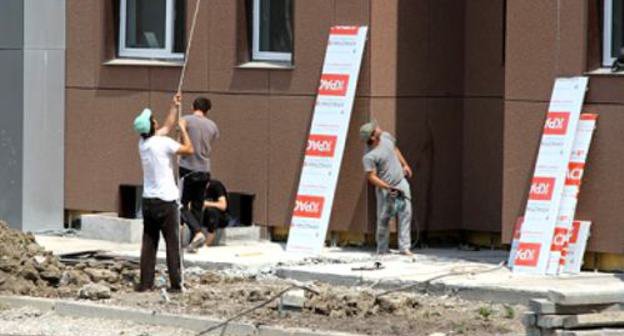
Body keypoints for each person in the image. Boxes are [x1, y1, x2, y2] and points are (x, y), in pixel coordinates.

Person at [133, 94, 194, 293]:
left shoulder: (144, 144)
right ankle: (176, 284)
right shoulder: (163, 143)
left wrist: (173, 107)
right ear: (152, 125)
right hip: (167, 201)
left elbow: (166, 127)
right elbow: (189, 150)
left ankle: (145, 284)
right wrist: (184, 129)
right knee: (172, 244)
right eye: (153, 119)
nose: (155, 119)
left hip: (149, 201)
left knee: (149, 244)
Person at [360, 121, 413, 255]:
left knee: (405, 212)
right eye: (375, 129)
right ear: (372, 137)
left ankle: (404, 247)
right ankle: (382, 249)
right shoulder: (369, 156)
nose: (379, 128)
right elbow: (371, 176)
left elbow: (395, 149)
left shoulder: (386, 137)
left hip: (400, 183)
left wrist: (405, 165)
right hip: (386, 189)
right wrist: (388, 188)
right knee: (385, 218)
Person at [179, 96, 219, 250]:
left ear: (192, 106)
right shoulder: (213, 126)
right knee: (197, 206)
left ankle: (197, 232)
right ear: (208, 110)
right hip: (205, 169)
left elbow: (181, 139)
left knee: (180, 205)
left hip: (187, 167)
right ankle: (195, 242)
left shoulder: (185, 120)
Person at [186, 179, 231, 253]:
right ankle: (192, 241)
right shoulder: (194, 190)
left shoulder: (216, 186)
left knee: (212, 212)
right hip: (202, 216)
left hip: (220, 217)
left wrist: (205, 203)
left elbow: (223, 206)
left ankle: (207, 244)